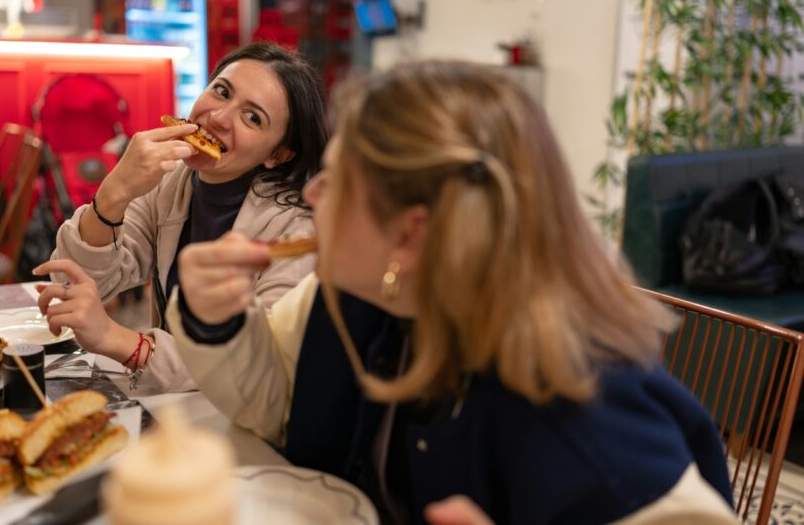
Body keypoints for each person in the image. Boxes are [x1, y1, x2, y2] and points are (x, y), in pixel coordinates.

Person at [164, 61, 737, 524]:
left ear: (409, 235)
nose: (311, 194)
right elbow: (277, 408)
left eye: (335, 180)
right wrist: (217, 321)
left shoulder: (591, 426)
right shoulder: (351, 297)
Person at [34, 43, 329, 393]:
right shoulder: (173, 182)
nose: (218, 117)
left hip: (238, 425)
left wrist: (119, 339)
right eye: (221, 91)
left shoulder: (295, 232)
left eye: (252, 117)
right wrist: (114, 193)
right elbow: (78, 282)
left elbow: (259, 363)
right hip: (171, 404)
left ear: (278, 155)